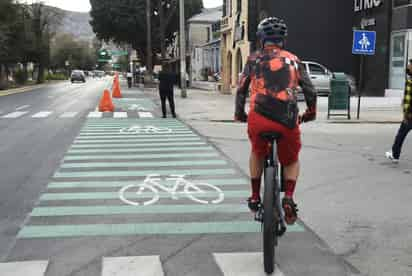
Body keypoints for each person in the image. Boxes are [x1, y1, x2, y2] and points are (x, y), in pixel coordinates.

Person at [234, 17, 317, 225]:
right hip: (287, 119)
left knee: (257, 152)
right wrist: (310, 113)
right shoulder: (294, 60)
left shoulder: (253, 59)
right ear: (283, 41)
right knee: (290, 159)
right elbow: (310, 90)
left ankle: (254, 196)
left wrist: (240, 114)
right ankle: (288, 197)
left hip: (259, 117)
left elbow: (241, 89)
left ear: (261, 39)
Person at [385, 60, 412, 163]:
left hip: (410, 115)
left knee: (400, 135)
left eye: (410, 64)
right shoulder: (409, 77)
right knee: (400, 135)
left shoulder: (410, 80)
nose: (408, 66)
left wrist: (407, 113)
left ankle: (395, 155)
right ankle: (395, 154)